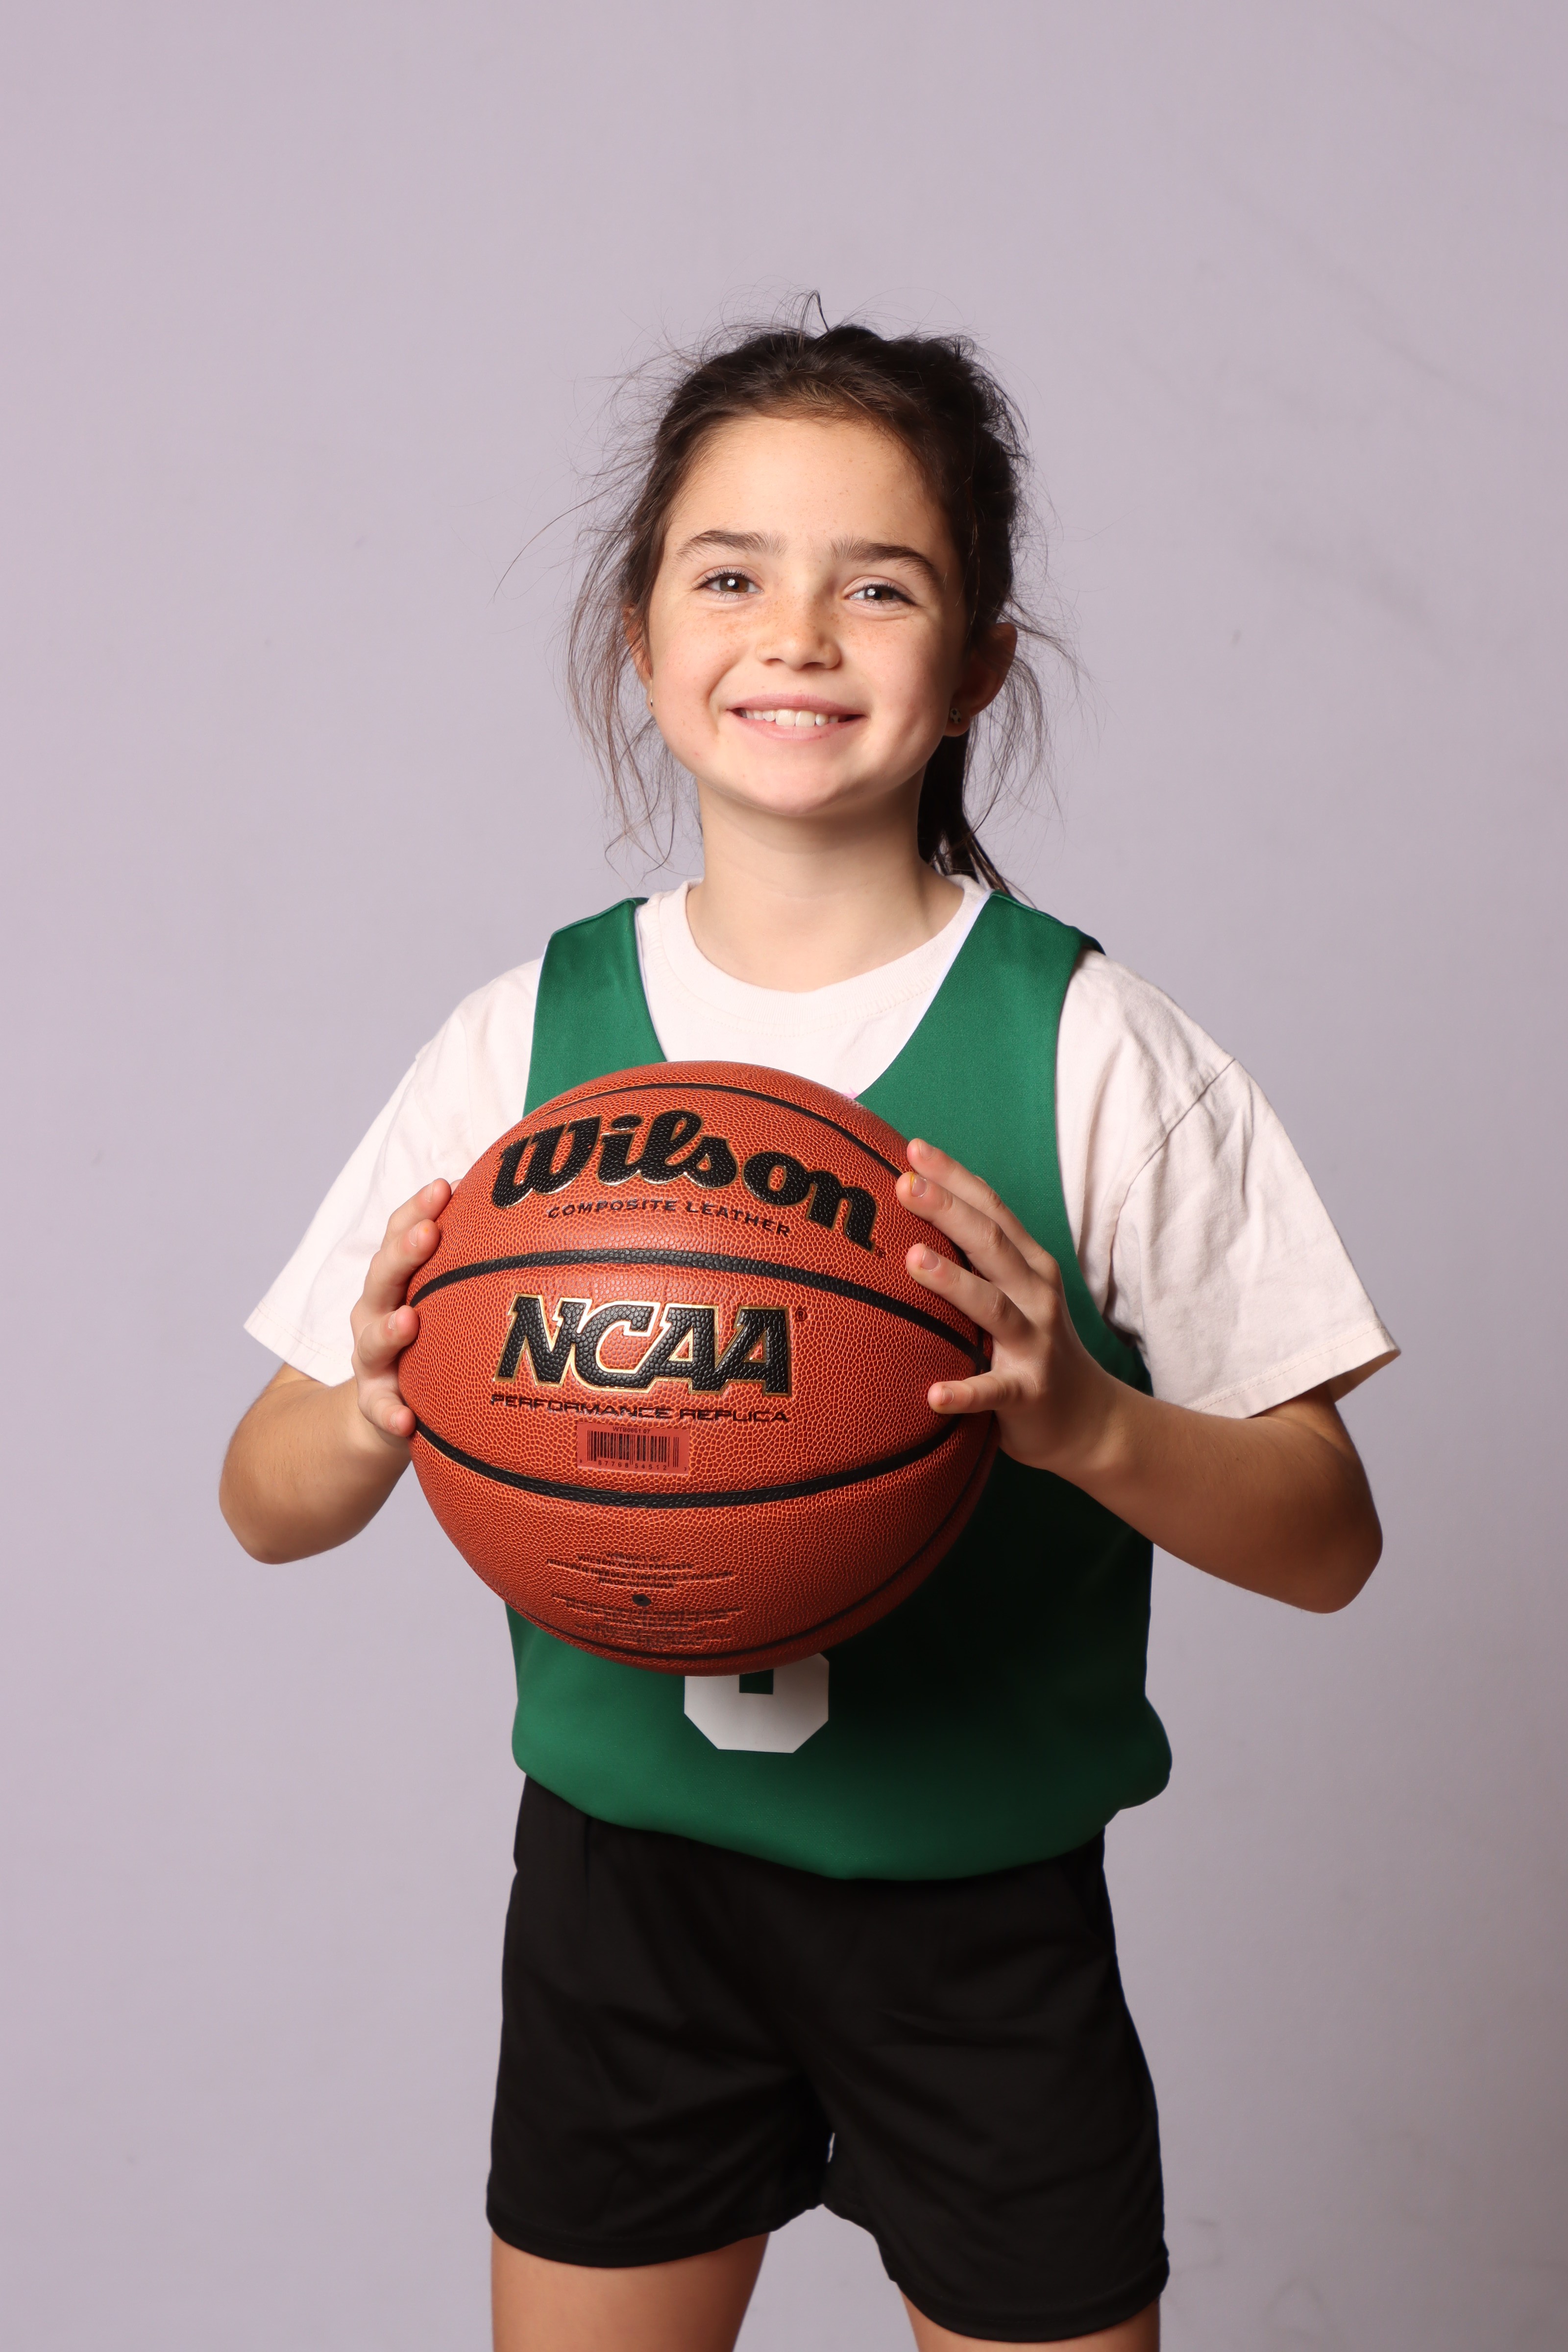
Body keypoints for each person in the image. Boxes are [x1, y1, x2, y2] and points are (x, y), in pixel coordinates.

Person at [220, 313, 1394, 2352]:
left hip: (977, 1913)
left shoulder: (1094, 1051)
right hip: (622, 1902)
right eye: (731, 574)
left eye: (880, 586)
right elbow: (263, 1499)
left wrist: (1090, 1424)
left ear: (981, 663)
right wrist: (381, 1403)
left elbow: (1329, 1541)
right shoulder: (519, 1046)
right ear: (639, 636)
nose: (798, 634)